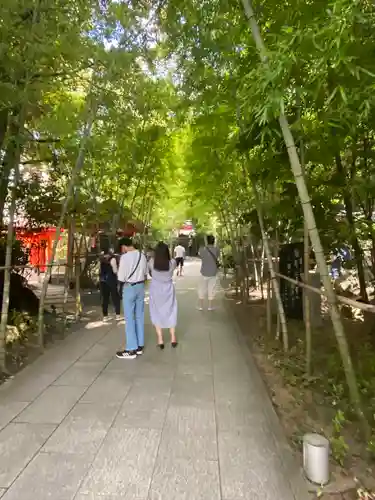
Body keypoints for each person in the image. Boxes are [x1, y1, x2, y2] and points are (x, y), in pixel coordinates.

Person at [116, 237, 148, 360]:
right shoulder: (142, 256)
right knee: (139, 315)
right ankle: (140, 346)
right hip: (140, 286)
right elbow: (145, 272)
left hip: (129, 287)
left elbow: (121, 277)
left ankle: (131, 349)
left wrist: (119, 289)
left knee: (129, 318)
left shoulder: (124, 258)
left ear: (124, 246)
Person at [148, 242, 178, 349]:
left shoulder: (151, 262)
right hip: (168, 290)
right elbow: (174, 262)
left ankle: (160, 339)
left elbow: (150, 272)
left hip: (156, 290)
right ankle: (173, 338)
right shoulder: (172, 263)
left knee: (156, 312)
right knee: (171, 311)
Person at [198, 235, 220, 311]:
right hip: (213, 272)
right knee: (212, 289)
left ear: (207, 241)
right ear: (214, 241)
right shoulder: (216, 249)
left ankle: (201, 306)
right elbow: (217, 256)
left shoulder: (202, 250)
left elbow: (200, 256)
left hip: (204, 271)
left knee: (201, 289)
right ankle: (210, 306)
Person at [99, 250, 121, 321]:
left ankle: (105, 316)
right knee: (115, 297)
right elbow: (115, 271)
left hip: (103, 281)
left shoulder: (101, 260)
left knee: (105, 298)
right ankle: (117, 315)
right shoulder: (113, 259)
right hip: (111, 281)